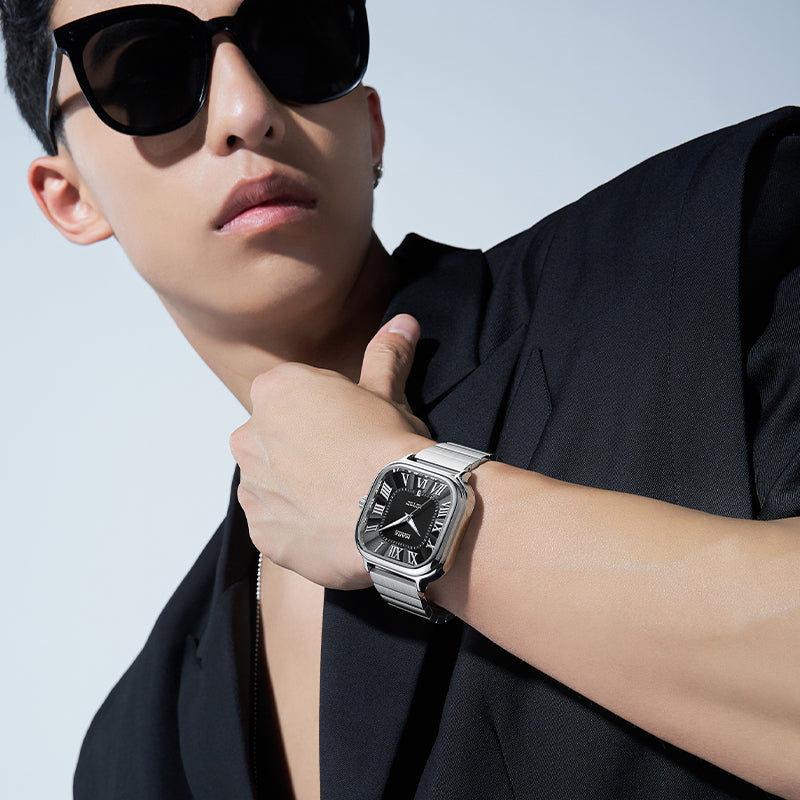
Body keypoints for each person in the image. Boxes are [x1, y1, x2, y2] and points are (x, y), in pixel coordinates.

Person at [2, 0, 798, 798]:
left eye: (295, 38)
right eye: (145, 70)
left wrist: (396, 501)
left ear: (370, 126)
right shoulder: (131, 759)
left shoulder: (718, 251)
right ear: (71, 197)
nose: (248, 112)